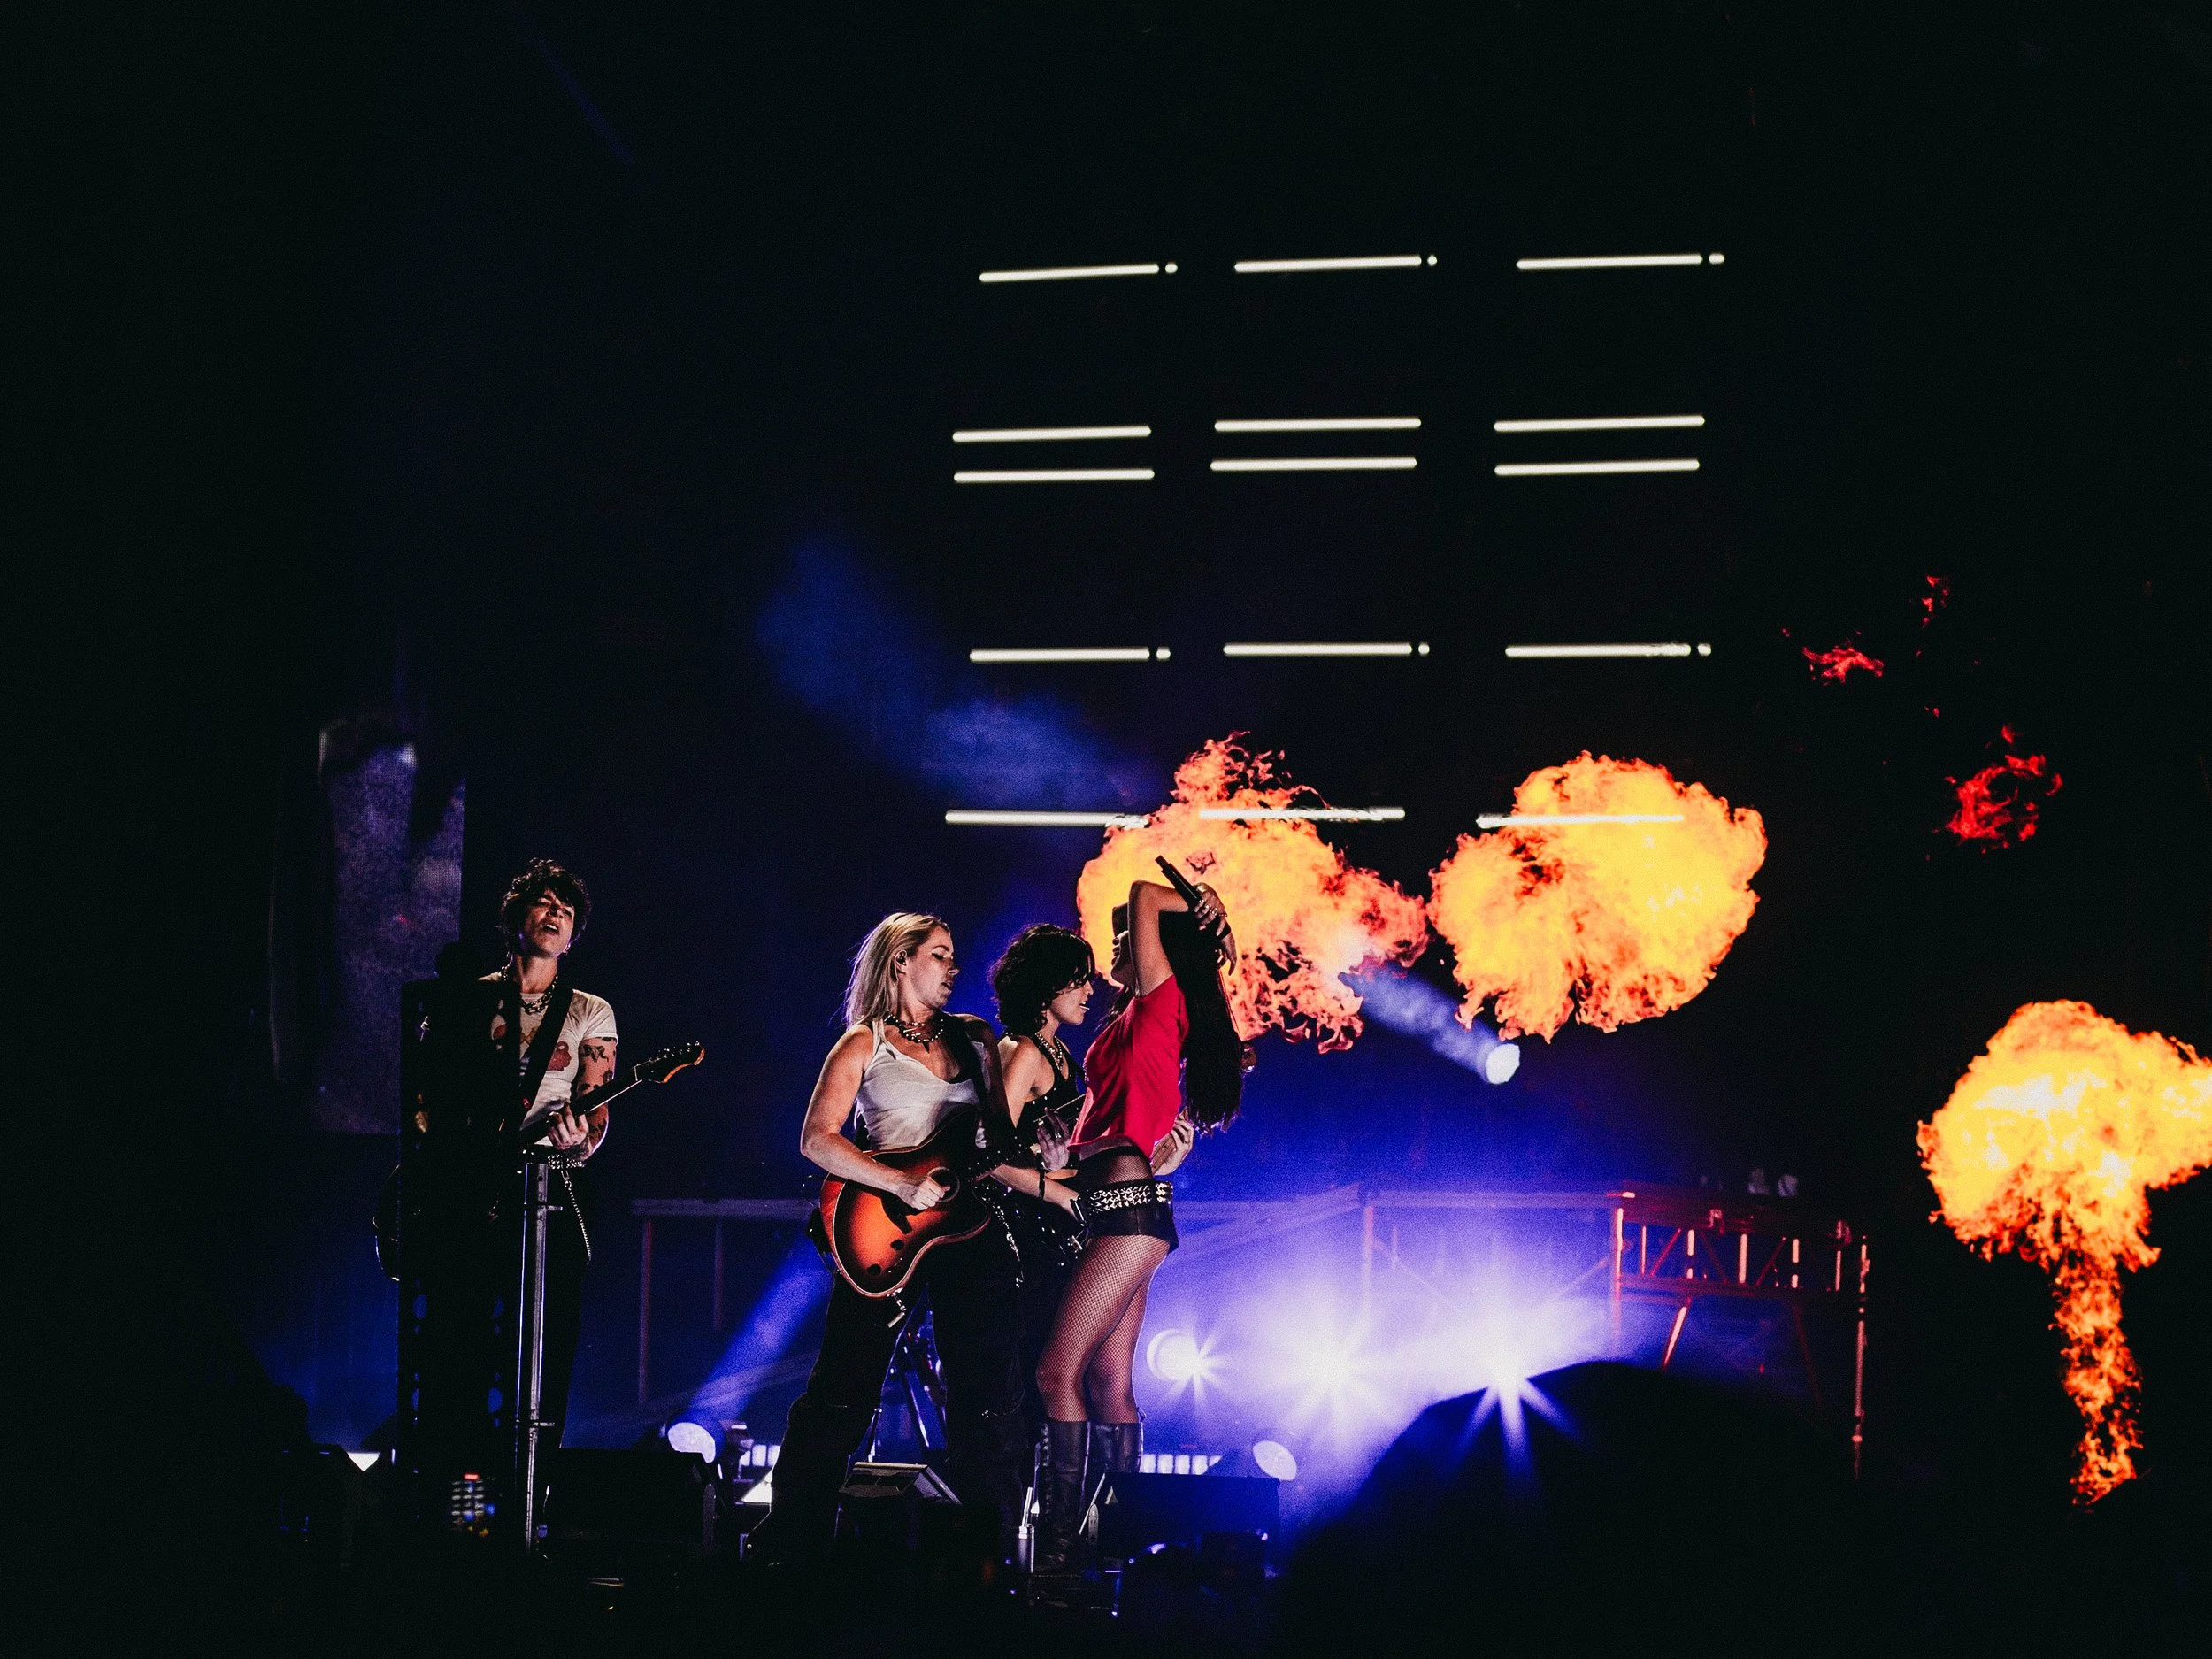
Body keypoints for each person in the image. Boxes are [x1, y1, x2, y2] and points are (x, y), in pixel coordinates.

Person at [751, 912, 1033, 1563]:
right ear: (901, 960)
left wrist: (1037, 1148)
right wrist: (901, 1185)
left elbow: (996, 1141)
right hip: (885, 1230)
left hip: (969, 1224)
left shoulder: (974, 1038)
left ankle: (985, 1550)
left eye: (956, 955)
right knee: (843, 1386)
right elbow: (816, 1138)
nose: (954, 966)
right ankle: (789, 1542)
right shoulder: (862, 1042)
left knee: (988, 1389)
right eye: (939, 953)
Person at [1029, 878, 1244, 1576]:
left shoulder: (1162, 995)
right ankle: (1115, 1544)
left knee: (1055, 1371)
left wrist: (1205, 906)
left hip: (1126, 1211)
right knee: (1106, 1383)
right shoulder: (1132, 1015)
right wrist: (1066, 1149)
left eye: (1127, 937)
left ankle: (1060, 1550)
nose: (1116, 945)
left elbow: (1149, 891)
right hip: (1118, 1197)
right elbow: (1123, 1120)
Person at [480, 857, 616, 1440]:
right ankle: (465, 1497)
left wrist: (581, 1137)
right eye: (545, 902)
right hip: (474, 1182)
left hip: (549, 1184)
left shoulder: (590, 1010)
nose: (556, 913)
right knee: (469, 1336)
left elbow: (598, 1107)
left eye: (566, 909)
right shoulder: (466, 998)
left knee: (545, 1340)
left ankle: (535, 1487)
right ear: (516, 915)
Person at [987, 926, 1095, 1438]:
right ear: (1047, 986)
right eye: (1078, 981)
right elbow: (982, 1155)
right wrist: (1051, 1185)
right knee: (1030, 1382)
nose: (1090, 992)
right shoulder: (1023, 1051)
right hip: (1020, 1239)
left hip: (1055, 1236)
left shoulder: (1062, 1053)